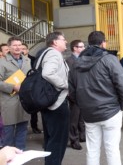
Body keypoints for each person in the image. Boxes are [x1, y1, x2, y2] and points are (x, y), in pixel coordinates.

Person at [69, 31, 123, 165]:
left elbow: (72, 91)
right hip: (111, 111)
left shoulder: (76, 63)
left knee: (92, 149)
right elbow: (122, 84)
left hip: (89, 113)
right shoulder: (109, 59)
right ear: (103, 43)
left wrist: (83, 105)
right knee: (112, 149)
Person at [39, 31, 69, 165]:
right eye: (63, 39)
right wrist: (65, 85)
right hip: (57, 103)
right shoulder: (53, 53)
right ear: (55, 42)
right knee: (58, 140)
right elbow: (47, 73)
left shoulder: (43, 53)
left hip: (48, 102)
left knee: (51, 139)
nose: (66, 41)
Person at [0, 37, 31, 150]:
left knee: (22, 129)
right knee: (8, 132)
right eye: (14, 45)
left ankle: (20, 155)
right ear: (8, 47)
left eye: (19, 45)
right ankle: (7, 158)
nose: (18, 47)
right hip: (9, 101)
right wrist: (12, 87)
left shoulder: (27, 61)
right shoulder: (2, 62)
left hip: (24, 100)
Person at [66, 40, 86, 150]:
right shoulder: (69, 61)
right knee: (74, 118)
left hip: (82, 92)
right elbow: (68, 78)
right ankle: (74, 140)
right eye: (81, 47)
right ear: (75, 48)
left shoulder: (82, 59)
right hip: (74, 93)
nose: (83, 48)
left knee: (81, 117)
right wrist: (71, 93)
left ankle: (82, 135)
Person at [21, 43, 42, 134]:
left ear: (28, 50)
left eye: (24, 49)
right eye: (21, 48)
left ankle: (34, 126)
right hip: (18, 85)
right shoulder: (18, 60)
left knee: (34, 109)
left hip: (31, 86)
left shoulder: (33, 60)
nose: (22, 50)